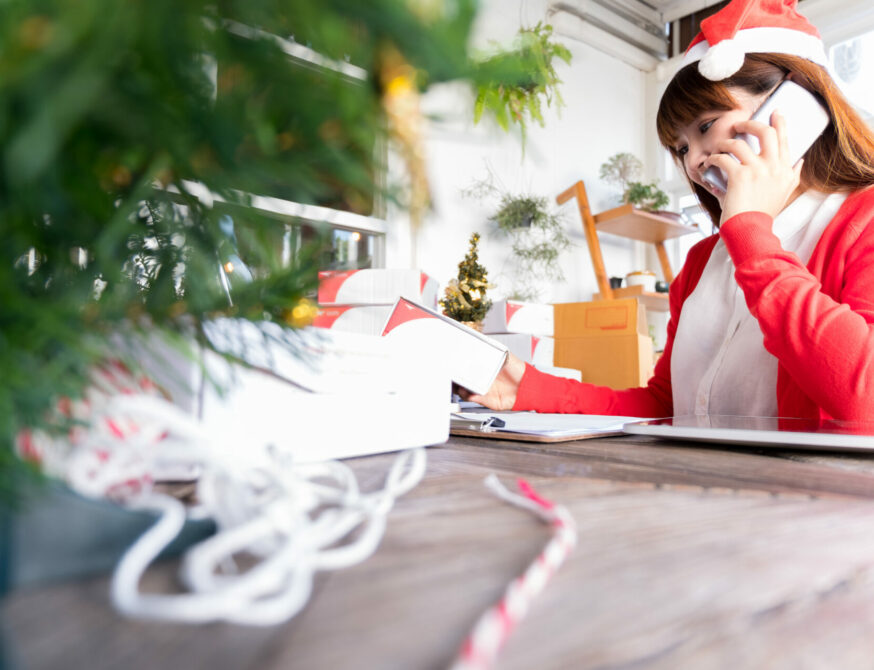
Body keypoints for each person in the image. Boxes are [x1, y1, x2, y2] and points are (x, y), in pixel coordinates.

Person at [466, 0, 874, 422]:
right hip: (693, 486)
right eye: (680, 149)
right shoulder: (700, 264)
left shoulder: (864, 219)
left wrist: (752, 234)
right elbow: (667, 405)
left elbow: (864, 396)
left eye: (705, 125)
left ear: (792, 105)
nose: (694, 161)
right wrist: (530, 388)